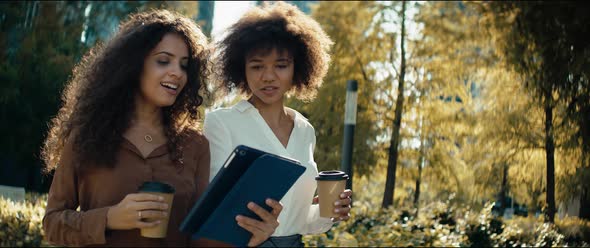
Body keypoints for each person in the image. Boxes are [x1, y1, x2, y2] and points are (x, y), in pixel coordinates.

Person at [41, 9, 281, 247]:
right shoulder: (87, 135)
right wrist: (109, 218)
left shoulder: (195, 145)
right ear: (134, 66)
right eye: (163, 61)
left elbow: (197, 240)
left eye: (184, 65)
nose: (177, 72)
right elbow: (53, 224)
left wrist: (248, 236)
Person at [204, 2, 352, 247]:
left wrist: (330, 213)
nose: (268, 76)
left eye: (281, 65)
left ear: (298, 68)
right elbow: (214, 211)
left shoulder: (305, 130)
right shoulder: (221, 123)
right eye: (257, 66)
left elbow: (301, 221)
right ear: (242, 69)